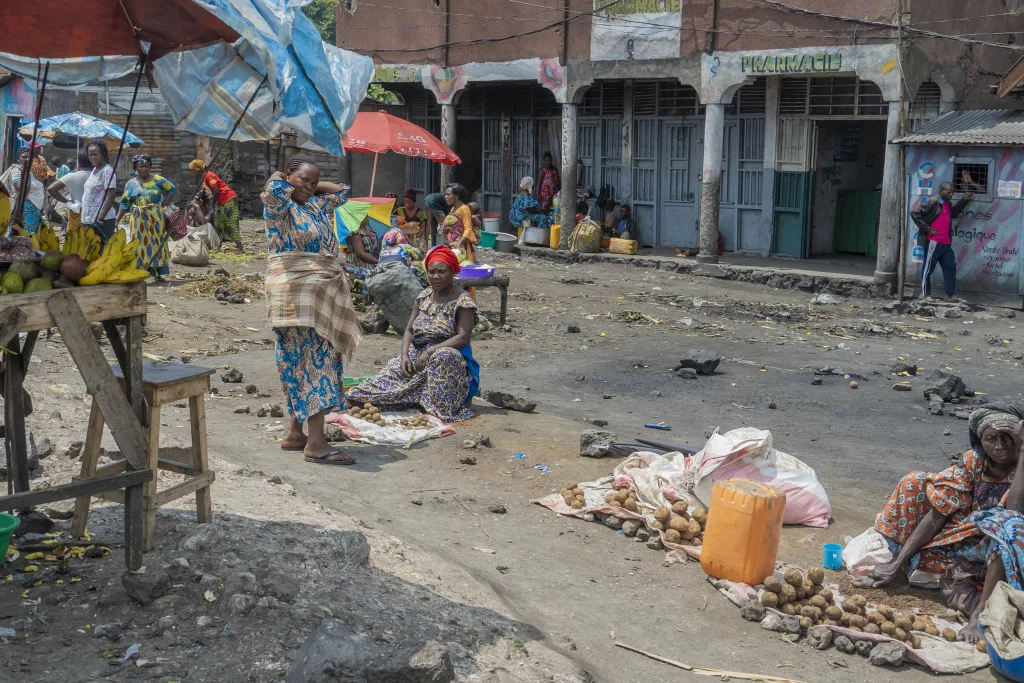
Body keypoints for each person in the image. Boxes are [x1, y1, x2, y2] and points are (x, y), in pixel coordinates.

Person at [854, 403, 1024, 642]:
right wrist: (898, 562)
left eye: (1008, 438)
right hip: (969, 542)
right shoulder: (975, 462)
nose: (999, 446)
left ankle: (980, 614)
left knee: (1006, 523)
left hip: (1011, 550)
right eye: (991, 439)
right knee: (914, 482)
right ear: (979, 440)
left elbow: (1016, 513)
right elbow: (940, 511)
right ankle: (899, 571)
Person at [262, 154, 359, 465]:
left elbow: (342, 192)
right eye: (304, 179)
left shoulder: (315, 205)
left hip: (318, 299)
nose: (310, 186)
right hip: (295, 296)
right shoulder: (280, 206)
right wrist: (284, 176)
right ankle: (316, 444)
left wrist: (312, 187)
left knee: (302, 362)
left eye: (314, 182)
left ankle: (294, 432)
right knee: (314, 362)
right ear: (289, 177)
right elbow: (273, 191)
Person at [347, 245, 479, 423]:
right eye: (431, 272)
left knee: (444, 356)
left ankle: (440, 405)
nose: (435, 276)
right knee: (363, 392)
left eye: (442, 271)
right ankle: (415, 398)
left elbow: (463, 337)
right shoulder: (424, 296)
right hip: (419, 356)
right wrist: (404, 356)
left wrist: (431, 351)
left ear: (453, 271)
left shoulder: (463, 300)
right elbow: (409, 330)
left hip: (446, 359)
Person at [911, 170, 978, 303]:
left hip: (946, 243)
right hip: (933, 242)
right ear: (940, 191)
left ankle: (951, 295)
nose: (951, 194)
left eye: (952, 192)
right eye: (948, 192)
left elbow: (952, 214)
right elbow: (914, 212)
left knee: (950, 267)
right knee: (928, 269)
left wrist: (965, 197)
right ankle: (925, 295)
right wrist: (928, 229)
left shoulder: (947, 203)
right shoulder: (932, 202)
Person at [115, 154, 177, 280]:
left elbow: (172, 189)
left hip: (156, 216)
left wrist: (166, 202)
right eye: (141, 166)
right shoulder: (130, 184)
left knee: (157, 242)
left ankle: (158, 273)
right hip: (138, 219)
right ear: (135, 168)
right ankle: (141, 272)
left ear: (150, 167)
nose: (144, 169)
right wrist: (117, 219)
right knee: (139, 244)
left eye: (146, 166)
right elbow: (124, 203)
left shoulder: (158, 179)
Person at [189, 159, 242, 252]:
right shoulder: (204, 179)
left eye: (192, 170)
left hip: (228, 198)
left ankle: (240, 247)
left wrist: (213, 203)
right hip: (220, 201)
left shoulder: (209, 175)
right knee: (219, 223)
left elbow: (216, 190)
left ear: (197, 169)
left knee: (231, 222)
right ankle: (217, 246)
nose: (192, 173)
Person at [0, 147, 47, 233]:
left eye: (29, 157)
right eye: (24, 157)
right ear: (18, 159)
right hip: (24, 211)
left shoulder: (30, 173)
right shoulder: (17, 170)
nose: (27, 159)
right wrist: (26, 176)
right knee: (22, 239)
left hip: (33, 212)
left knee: (29, 241)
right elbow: (22, 191)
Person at [46, 149, 93, 233]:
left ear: (78, 161)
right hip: (93, 214)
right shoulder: (97, 176)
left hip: (76, 212)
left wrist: (67, 202)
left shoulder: (71, 176)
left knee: (74, 242)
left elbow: (51, 189)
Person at [81, 141, 118, 242]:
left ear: (103, 154)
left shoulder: (107, 171)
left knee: (101, 251)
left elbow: (111, 197)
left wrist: (100, 219)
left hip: (102, 220)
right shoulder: (95, 170)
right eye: (90, 154)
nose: (93, 157)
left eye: (95, 154)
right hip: (90, 218)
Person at [442, 183, 477, 263]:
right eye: (445, 195)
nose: (445, 197)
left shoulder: (464, 209)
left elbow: (468, 229)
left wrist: (460, 243)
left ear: (456, 196)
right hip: (453, 243)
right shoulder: (453, 208)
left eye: (448, 195)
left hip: (463, 244)